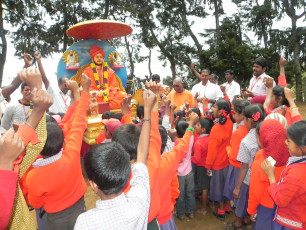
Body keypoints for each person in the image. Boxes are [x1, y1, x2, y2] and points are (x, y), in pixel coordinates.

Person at [74, 88, 156, 230]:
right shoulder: (138, 201)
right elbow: (141, 154)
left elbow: (141, 155)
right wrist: (148, 111)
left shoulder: (85, 222)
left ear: (93, 185)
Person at [26, 75, 91, 229]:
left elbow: (35, 203)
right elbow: (78, 121)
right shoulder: (72, 153)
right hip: (80, 210)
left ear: (38, 147)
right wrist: (83, 92)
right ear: (63, 141)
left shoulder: (33, 175)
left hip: (56, 220)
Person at [262, 120, 306, 230]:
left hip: (290, 222)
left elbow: (280, 200)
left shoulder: (297, 174)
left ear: (303, 148)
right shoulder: (300, 162)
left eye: (289, 141)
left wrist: (271, 176)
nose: (285, 142)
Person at [248, 119, 290, 230]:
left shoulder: (261, 163)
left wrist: (251, 210)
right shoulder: (290, 156)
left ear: (264, 139)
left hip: (265, 207)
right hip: (283, 207)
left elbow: (255, 192)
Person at [232, 104, 265, 229]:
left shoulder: (246, 141)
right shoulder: (267, 132)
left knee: (242, 202)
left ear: (249, 120)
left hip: (248, 180)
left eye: (244, 119)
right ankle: (249, 222)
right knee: (255, 203)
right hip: (263, 178)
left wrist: (237, 187)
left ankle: (238, 223)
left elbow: (244, 166)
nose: (243, 122)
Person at [205, 99, 235, 220]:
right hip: (228, 160)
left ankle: (221, 210)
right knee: (227, 184)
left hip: (217, 162)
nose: (212, 109)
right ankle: (228, 206)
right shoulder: (231, 122)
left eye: (214, 107)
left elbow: (212, 150)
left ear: (221, 111)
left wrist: (208, 166)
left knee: (219, 186)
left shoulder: (216, 128)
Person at [223, 100, 250, 206]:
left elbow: (235, 156)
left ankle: (239, 219)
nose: (232, 115)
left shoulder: (239, 132)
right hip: (246, 166)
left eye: (234, 113)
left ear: (241, 115)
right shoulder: (249, 127)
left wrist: (228, 148)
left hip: (237, 167)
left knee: (238, 192)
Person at [82, 45, 126, 109]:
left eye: (100, 57)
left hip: (107, 94)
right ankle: (104, 106)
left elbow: (113, 85)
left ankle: (102, 107)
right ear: (93, 58)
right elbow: (85, 86)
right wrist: (96, 92)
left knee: (122, 95)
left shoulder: (109, 70)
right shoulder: (87, 71)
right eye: (97, 57)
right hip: (94, 95)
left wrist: (106, 91)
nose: (99, 58)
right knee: (86, 98)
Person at [191, 117, 214, 215]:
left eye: (198, 125)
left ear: (203, 130)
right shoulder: (211, 138)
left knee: (204, 188)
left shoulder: (199, 143)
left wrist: (189, 157)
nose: (196, 126)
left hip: (201, 167)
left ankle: (203, 209)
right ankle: (211, 203)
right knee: (208, 185)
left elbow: (196, 159)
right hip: (210, 166)